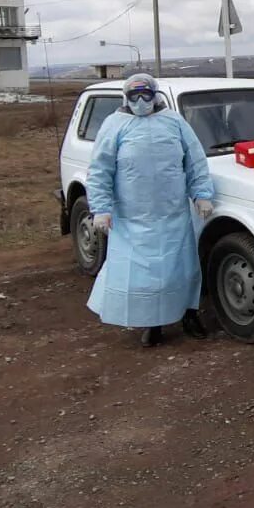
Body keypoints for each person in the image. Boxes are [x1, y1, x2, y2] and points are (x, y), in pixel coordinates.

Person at [85, 74, 215, 347]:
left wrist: (201, 194)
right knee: (142, 277)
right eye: (134, 96)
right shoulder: (114, 126)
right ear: (126, 97)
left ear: (155, 95)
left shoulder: (174, 122)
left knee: (181, 271)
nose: (141, 102)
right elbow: (100, 170)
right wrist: (100, 208)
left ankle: (189, 316)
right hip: (132, 219)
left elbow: (195, 160)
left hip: (174, 215)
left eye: (146, 95)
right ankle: (152, 324)